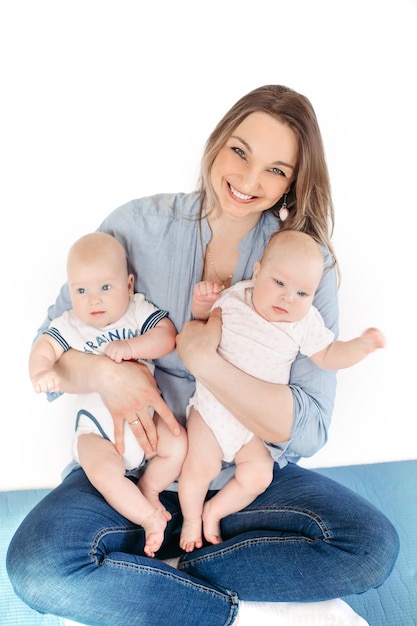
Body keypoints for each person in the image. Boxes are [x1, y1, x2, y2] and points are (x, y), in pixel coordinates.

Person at [7, 85, 399, 626]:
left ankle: (152, 577)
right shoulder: (133, 226)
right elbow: (52, 348)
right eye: (240, 152)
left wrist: (205, 360)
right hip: (131, 469)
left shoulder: (307, 267)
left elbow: (308, 429)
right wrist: (105, 373)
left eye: (276, 170)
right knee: (37, 567)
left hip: (240, 480)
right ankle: (227, 610)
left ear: (294, 182)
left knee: (369, 547)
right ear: (217, 142)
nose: (249, 181)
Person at [178, 229, 386, 552]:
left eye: (303, 293)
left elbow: (328, 356)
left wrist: (360, 347)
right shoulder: (235, 297)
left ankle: (214, 510)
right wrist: (201, 302)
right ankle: (191, 519)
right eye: (279, 283)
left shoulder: (304, 324)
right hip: (211, 411)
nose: (288, 298)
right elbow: (203, 322)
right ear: (258, 271)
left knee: (259, 476)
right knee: (198, 469)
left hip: (253, 424)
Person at [28, 232, 187, 557]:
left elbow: (167, 336)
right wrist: (41, 371)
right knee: (101, 471)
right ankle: (147, 517)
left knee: (177, 442)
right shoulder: (71, 324)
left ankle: (150, 488)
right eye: (81, 290)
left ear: (128, 285)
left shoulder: (136, 311)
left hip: (146, 422)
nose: (93, 300)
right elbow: (43, 347)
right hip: (96, 431)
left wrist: (131, 347)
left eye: (104, 288)